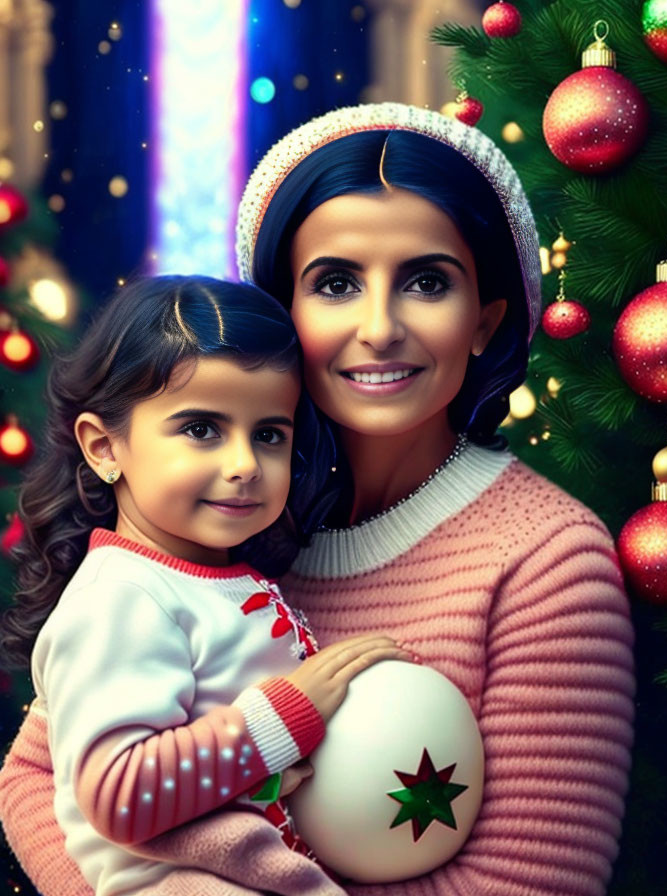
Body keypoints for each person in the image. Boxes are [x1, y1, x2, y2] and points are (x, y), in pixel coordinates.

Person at [0, 104, 635, 896]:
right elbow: (39, 773)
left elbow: (532, 882)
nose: (379, 328)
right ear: (281, 310)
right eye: (334, 283)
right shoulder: (223, 520)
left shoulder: (547, 560)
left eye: (427, 282)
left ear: (485, 320)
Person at [0, 274, 409, 896]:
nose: (244, 464)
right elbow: (120, 794)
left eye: (268, 434)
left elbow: (197, 768)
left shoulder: (202, 579)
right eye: (201, 429)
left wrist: (266, 775)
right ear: (104, 446)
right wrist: (283, 715)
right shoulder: (120, 600)